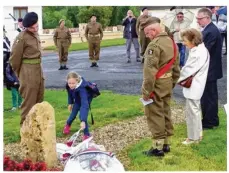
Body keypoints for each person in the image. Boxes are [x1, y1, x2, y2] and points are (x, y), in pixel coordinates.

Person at [141, 17, 180, 156]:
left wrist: (146, 92)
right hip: (167, 83)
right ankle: (166, 144)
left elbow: (149, 73)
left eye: (147, 33)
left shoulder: (154, 46)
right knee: (165, 111)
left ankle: (157, 148)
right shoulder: (171, 42)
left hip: (156, 85)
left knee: (154, 113)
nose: (146, 36)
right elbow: (176, 67)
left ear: (153, 30)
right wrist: (172, 82)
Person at [9, 12, 44, 126]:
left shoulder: (35, 33)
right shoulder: (21, 37)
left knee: (39, 101)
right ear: (27, 27)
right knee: (29, 103)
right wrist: (21, 74)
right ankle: (24, 131)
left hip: (38, 70)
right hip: (28, 72)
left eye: (36, 26)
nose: (35, 29)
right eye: (32, 28)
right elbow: (14, 59)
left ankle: (36, 130)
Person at [177, 28, 210, 144]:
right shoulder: (201, 49)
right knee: (195, 111)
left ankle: (193, 138)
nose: (184, 43)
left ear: (193, 40)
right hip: (197, 85)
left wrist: (175, 78)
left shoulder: (197, 53)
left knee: (192, 112)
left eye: (185, 40)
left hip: (194, 86)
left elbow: (187, 70)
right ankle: (198, 134)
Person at [196, 8, 223, 129]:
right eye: (197, 18)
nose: (198, 21)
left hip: (209, 70)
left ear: (207, 17)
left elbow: (204, 51)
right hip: (209, 69)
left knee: (209, 97)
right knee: (208, 96)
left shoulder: (211, 31)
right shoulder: (208, 29)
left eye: (200, 18)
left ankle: (210, 121)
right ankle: (210, 119)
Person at [63, 72, 94, 140]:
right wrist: (70, 103)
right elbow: (70, 94)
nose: (71, 85)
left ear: (77, 81)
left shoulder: (82, 90)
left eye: (73, 83)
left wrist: (82, 120)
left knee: (82, 117)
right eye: (69, 83)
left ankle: (86, 134)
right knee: (72, 115)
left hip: (85, 101)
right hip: (77, 101)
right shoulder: (68, 85)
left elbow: (84, 105)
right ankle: (68, 125)